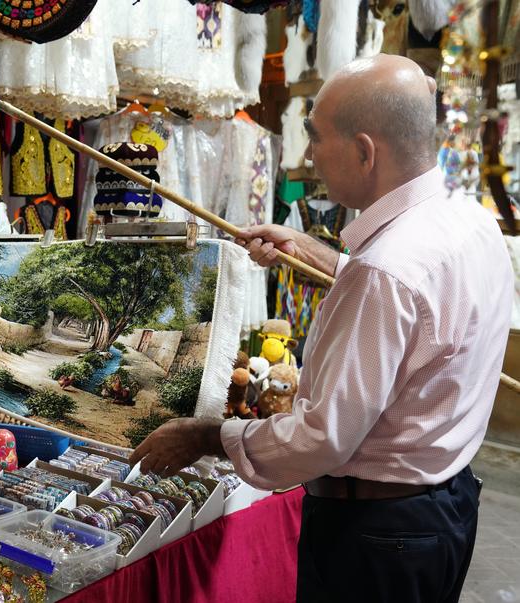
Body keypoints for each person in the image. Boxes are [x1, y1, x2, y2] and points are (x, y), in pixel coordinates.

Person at [131, 54, 513, 603]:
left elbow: (321, 437)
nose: (309, 156)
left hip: (379, 539)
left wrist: (207, 436)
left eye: (317, 138)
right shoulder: (467, 216)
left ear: (364, 150)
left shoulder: (387, 272)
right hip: (442, 511)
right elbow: (423, 308)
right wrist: (320, 256)